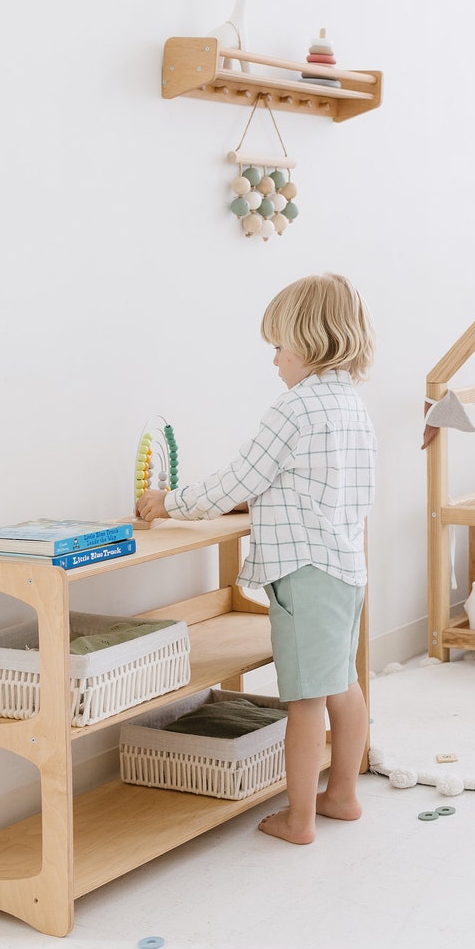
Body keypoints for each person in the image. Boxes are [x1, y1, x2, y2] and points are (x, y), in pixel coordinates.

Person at [135, 272, 377, 845]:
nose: (274, 361)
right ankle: (342, 794)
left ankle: (299, 819)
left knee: (304, 699)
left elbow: (238, 477)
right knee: (343, 685)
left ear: (309, 343)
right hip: (345, 569)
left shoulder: (294, 408)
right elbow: (309, 481)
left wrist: (169, 501)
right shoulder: (352, 405)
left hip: (305, 573)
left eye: (279, 347)